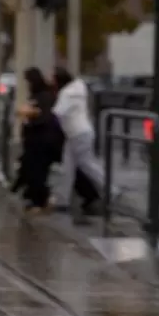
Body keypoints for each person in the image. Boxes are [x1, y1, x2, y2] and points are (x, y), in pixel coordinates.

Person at [52, 68, 109, 210]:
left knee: (86, 164)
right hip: (80, 131)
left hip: (76, 133)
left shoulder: (66, 94)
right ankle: (62, 199)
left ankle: (111, 188)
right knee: (68, 166)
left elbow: (58, 113)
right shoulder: (79, 88)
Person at [14, 67, 60, 212]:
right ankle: (35, 197)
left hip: (42, 140)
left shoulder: (45, 96)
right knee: (30, 168)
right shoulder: (36, 95)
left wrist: (31, 113)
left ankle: (40, 201)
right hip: (33, 139)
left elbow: (44, 116)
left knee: (37, 171)